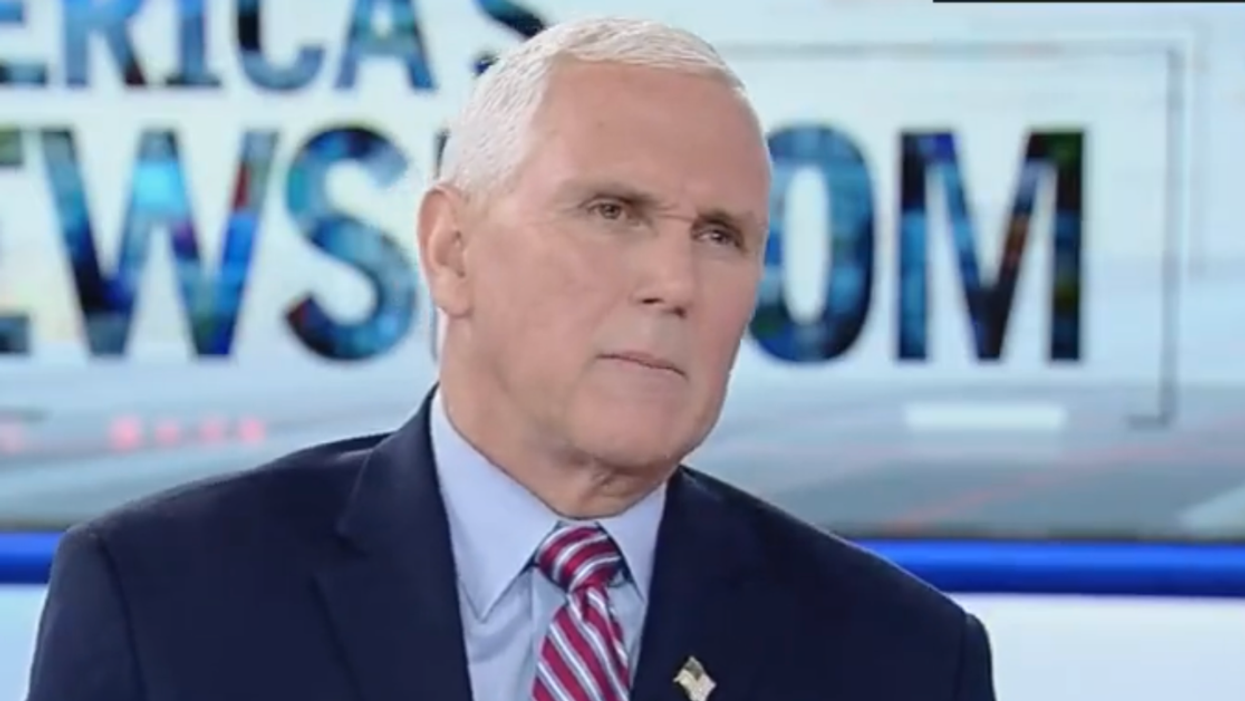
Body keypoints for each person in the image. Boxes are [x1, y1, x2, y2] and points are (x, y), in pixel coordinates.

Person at [25, 16, 996, 701]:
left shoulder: (903, 657)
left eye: (721, 234)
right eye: (612, 212)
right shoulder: (162, 601)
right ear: (452, 250)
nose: (675, 280)